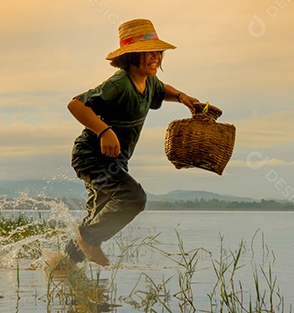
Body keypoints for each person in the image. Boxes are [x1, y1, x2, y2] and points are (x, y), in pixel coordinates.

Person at [65, 19, 200, 266]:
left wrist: (183, 98)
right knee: (133, 198)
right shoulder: (119, 84)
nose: (156, 57)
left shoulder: (149, 82)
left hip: (115, 162)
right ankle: (87, 239)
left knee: (97, 215)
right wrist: (104, 130)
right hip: (91, 156)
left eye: (158, 52)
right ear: (131, 56)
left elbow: (162, 89)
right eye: (148, 52)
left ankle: (63, 265)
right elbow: (76, 104)